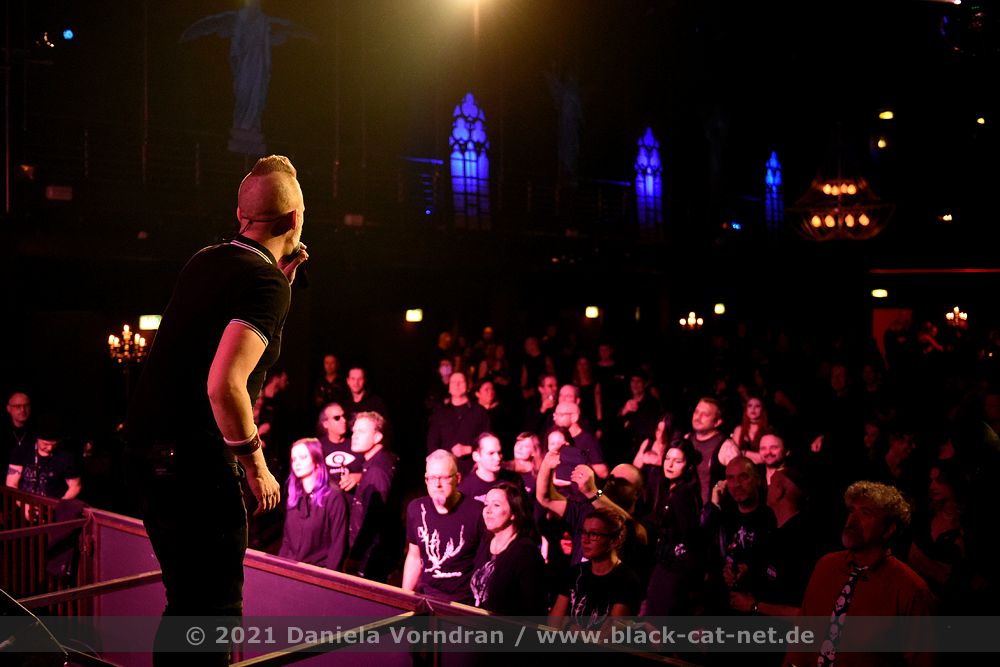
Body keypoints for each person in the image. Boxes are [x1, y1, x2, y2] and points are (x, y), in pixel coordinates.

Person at [125, 154, 307, 666]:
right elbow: (224, 385)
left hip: (147, 458)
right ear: (295, 219)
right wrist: (258, 467)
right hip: (196, 466)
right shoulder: (265, 284)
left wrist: (279, 282)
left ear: (240, 215)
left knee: (186, 606)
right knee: (213, 614)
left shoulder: (205, 259)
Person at [786, 481, 934, 667]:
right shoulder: (826, 566)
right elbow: (802, 635)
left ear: (888, 529)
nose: (852, 520)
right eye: (851, 511)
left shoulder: (910, 589)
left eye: (866, 513)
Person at [401, 450, 487, 604]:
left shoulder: (477, 512)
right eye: (432, 478)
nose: (437, 484)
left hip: (463, 602)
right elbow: (414, 557)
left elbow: (486, 564)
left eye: (444, 478)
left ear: (457, 478)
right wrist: (404, 598)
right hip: (427, 597)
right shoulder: (416, 508)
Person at [547, 507, 643, 634]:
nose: (585, 540)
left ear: (615, 540)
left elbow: (608, 637)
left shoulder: (626, 581)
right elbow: (553, 623)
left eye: (594, 534)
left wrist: (568, 626)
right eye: (583, 532)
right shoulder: (575, 573)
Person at [644, 439, 704, 616]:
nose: (669, 465)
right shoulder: (669, 489)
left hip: (673, 568)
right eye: (667, 459)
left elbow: (690, 537)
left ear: (689, 466)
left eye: (677, 461)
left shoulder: (682, 494)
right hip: (667, 564)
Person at [470, 482, 547, 615]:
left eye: (496, 505)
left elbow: (535, 609)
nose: (488, 510)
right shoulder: (486, 541)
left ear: (514, 513)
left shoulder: (526, 552)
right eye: (486, 504)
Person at [345, 411, 400, 581]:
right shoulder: (378, 462)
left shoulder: (377, 471)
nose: (354, 436)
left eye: (361, 431)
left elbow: (374, 521)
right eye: (354, 431)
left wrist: (355, 557)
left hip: (370, 558)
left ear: (377, 437)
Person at [278, 438, 347, 570]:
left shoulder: (334, 498)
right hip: (291, 569)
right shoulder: (294, 496)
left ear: (317, 461)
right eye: (294, 459)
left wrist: (326, 577)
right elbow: (287, 541)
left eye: (303, 457)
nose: (297, 463)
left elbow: (338, 544)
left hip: (317, 571)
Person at [6, 413, 82, 504]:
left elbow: (75, 486)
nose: (50, 448)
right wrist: (23, 505)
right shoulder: (22, 451)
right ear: (37, 438)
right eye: (45, 444)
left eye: (54, 444)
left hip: (53, 508)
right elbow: (11, 484)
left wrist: (60, 505)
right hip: (24, 505)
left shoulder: (66, 456)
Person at [458, 432, 524, 502]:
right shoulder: (465, 489)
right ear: (476, 456)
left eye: (499, 452)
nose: (498, 458)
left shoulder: (514, 479)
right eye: (491, 453)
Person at [4, 391, 33, 472]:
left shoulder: (38, 432)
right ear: (9, 409)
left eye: (26, 406)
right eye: (18, 406)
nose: (23, 410)